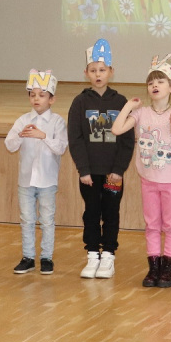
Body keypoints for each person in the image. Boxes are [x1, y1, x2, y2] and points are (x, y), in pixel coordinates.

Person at [112, 55, 171, 288]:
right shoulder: (141, 114)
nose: (155, 85)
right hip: (148, 179)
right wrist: (128, 106)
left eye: (160, 81)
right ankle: (153, 267)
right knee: (152, 225)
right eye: (150, 82)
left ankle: (168, 268)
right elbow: (117, 129)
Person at [67, 38, 135, 278]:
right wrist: (83, 170)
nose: (98, 74)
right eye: (93, 70)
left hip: (112, 174)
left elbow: (127, 141)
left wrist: (119, 169)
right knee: (91, 213)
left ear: (111, 72)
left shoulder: (120, 102)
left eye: (102, 70)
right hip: (89, 175)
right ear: (86, 73)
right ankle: (92, 255)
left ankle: (108, 255)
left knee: (111, 212)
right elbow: (75, 138)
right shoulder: (80, 102)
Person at [5, 70, 67, 275]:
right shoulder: (23, 120)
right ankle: (28, 257)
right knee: (27, 219)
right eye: (33, 95)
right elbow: (10, 145)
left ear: (52, 99)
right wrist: (21, 136)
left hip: (47, 180)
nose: (36, 99)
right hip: (26, 181)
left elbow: (61, 147)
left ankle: (46, 257)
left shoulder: (57, 122)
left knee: (47, 220)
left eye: (41, 95)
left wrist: (43, 136)